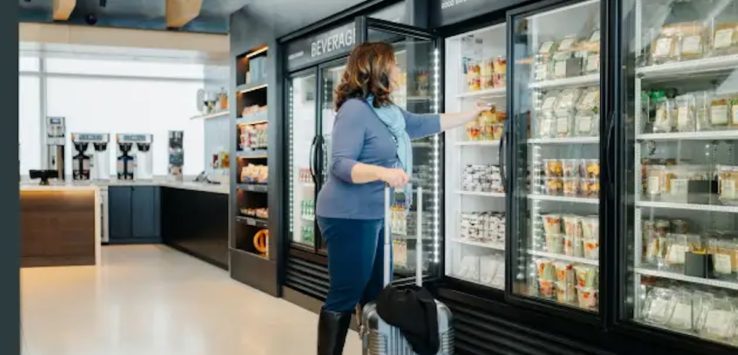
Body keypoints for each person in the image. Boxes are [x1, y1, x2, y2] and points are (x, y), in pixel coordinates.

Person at [315, 42, 489, 355]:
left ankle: (374, 349)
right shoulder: (354, 110)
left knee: (375, 293)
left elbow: (426, 123)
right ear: (377, 69)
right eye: (394, 65)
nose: (399, 71)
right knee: (346, 292)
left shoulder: (386, 113)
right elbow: (340, 165)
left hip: (374, 212)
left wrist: (471, 113)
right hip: (348, 214)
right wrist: (383, 173)